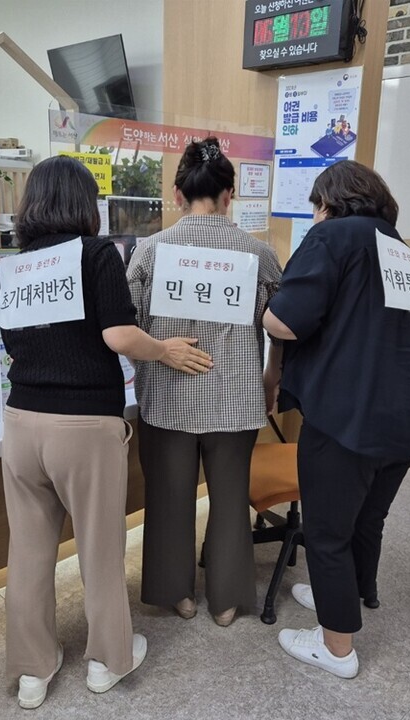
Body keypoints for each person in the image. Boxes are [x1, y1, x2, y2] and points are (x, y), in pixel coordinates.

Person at [0, 156, 213, 709]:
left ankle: (32, 671)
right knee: (99, 550)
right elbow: (119, 335)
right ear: (82, 203)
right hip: (84, 425)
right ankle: (106, 661)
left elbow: (12, 343)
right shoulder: (95, 255)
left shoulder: (16, 266)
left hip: (21, 422)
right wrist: (164, 349)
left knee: (27, 553)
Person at [263, 160, 410, 678]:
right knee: (367, 517)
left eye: (315, 207)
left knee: (326, 531)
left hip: (348, 417)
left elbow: (284, 321)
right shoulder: (404, 254)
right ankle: (343, 595)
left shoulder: (334, 237)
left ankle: (336, 648)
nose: (315, 217)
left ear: (328, 203)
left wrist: (264, 305)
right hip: (407, 420)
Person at [127, 137, 283, 627]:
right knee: (231, 499)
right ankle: (227, 599)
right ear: (229, 194)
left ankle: (178, 595)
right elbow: (280, 324)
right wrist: (271, 375)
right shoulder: (258, 253)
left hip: (167, 400)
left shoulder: (150, 251)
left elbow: (126, 323)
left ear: (177, 194)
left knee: (170, 499)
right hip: (236, 400)